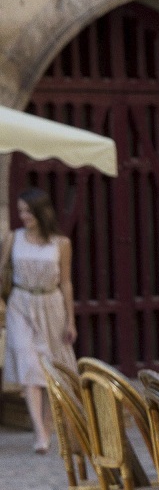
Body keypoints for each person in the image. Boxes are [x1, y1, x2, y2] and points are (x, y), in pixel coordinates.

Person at [2, 188, 75, 455]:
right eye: (20, 210)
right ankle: (40, 432)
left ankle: (47, 427)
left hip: (51, 304)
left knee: (49, 367)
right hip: (20, 303)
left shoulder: (61, 243)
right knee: (27, 363)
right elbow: (2, 274)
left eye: (27, 211)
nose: (23, 216)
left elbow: (66, 282)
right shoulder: (13, 238)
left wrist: (71, 320)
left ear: (41, 212)